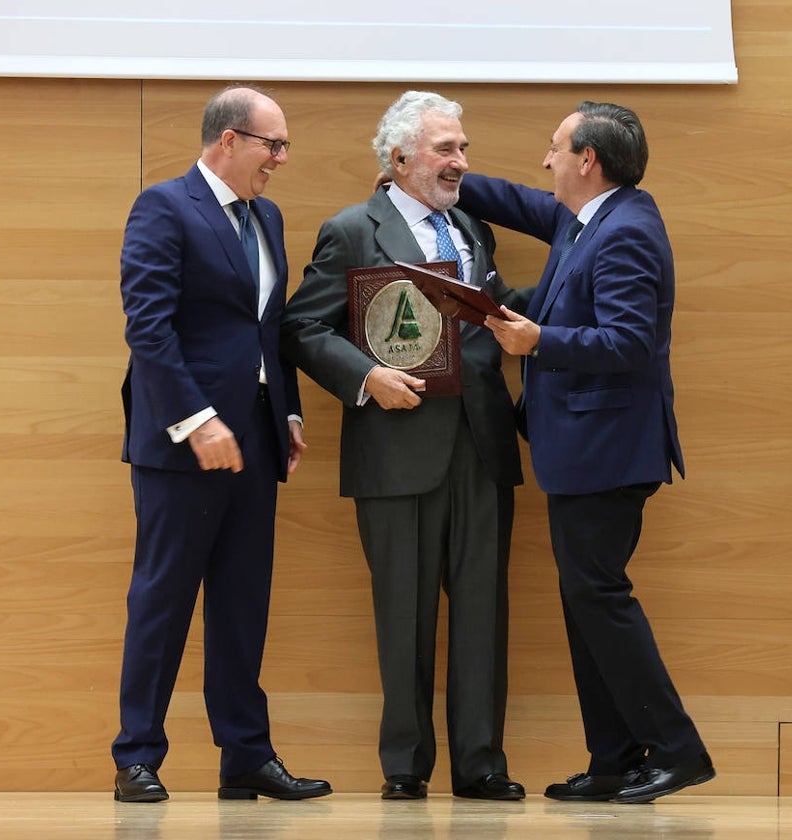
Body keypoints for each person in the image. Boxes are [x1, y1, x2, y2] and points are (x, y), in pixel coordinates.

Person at [456, 101, 714, 804]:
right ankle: (615, 758)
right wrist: (446, 174)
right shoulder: (592, 218)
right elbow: (519, 202)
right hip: (585, 450)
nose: (546, 161)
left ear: (587, 160)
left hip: (608, 451)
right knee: (586, 603)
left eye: (554, 148)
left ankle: (678, 750)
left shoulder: (625, 231)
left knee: (599, 597)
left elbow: (628, 342)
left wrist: (538, 340)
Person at [280, 91, 529, 802]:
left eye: (463, 148)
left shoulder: (474, 230)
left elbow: (493, 313)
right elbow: (303, 328)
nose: (462, 161)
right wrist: (367, 378)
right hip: (394, 451)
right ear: (400, 158)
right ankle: (405, 767)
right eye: (447, 149)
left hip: (481, 447)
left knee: (483, 614)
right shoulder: (352, 230)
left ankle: (481, 765)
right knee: (404, 615)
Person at [112, 85, 331, 803]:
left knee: (243, 606)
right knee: (162, 601)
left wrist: (288, 414)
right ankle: (137, 756)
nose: (283, 159)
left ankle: (245, 756)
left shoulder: (266, 216)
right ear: (229, 140)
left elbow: (268, 331)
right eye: (275, 144)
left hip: (256, 444)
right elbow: (149, 326)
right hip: (182, 447)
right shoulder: (163, 207)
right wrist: (195, 418)